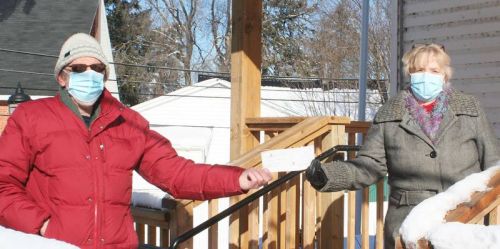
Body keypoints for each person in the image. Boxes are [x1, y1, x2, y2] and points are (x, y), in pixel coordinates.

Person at [0, 33, 272, 249]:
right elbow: (3, 184)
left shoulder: (128, 123)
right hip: (55, 245)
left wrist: (236, 179)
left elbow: (177, 173)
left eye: (96, 68)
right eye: (78, 68)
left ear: (104, 76)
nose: (89, 73)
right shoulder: (31, 117)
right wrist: (42, 225)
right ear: (62, 76)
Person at [305, 43, 500, 249]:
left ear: (445, 75)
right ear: (410, 73)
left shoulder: (470, 109)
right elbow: (369, 165)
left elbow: (493, 163)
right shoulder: (390, 114)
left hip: (466, 217)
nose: (426, 76)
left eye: (434, 70)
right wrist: (329, 175)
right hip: (408, 222)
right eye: (419, 70)